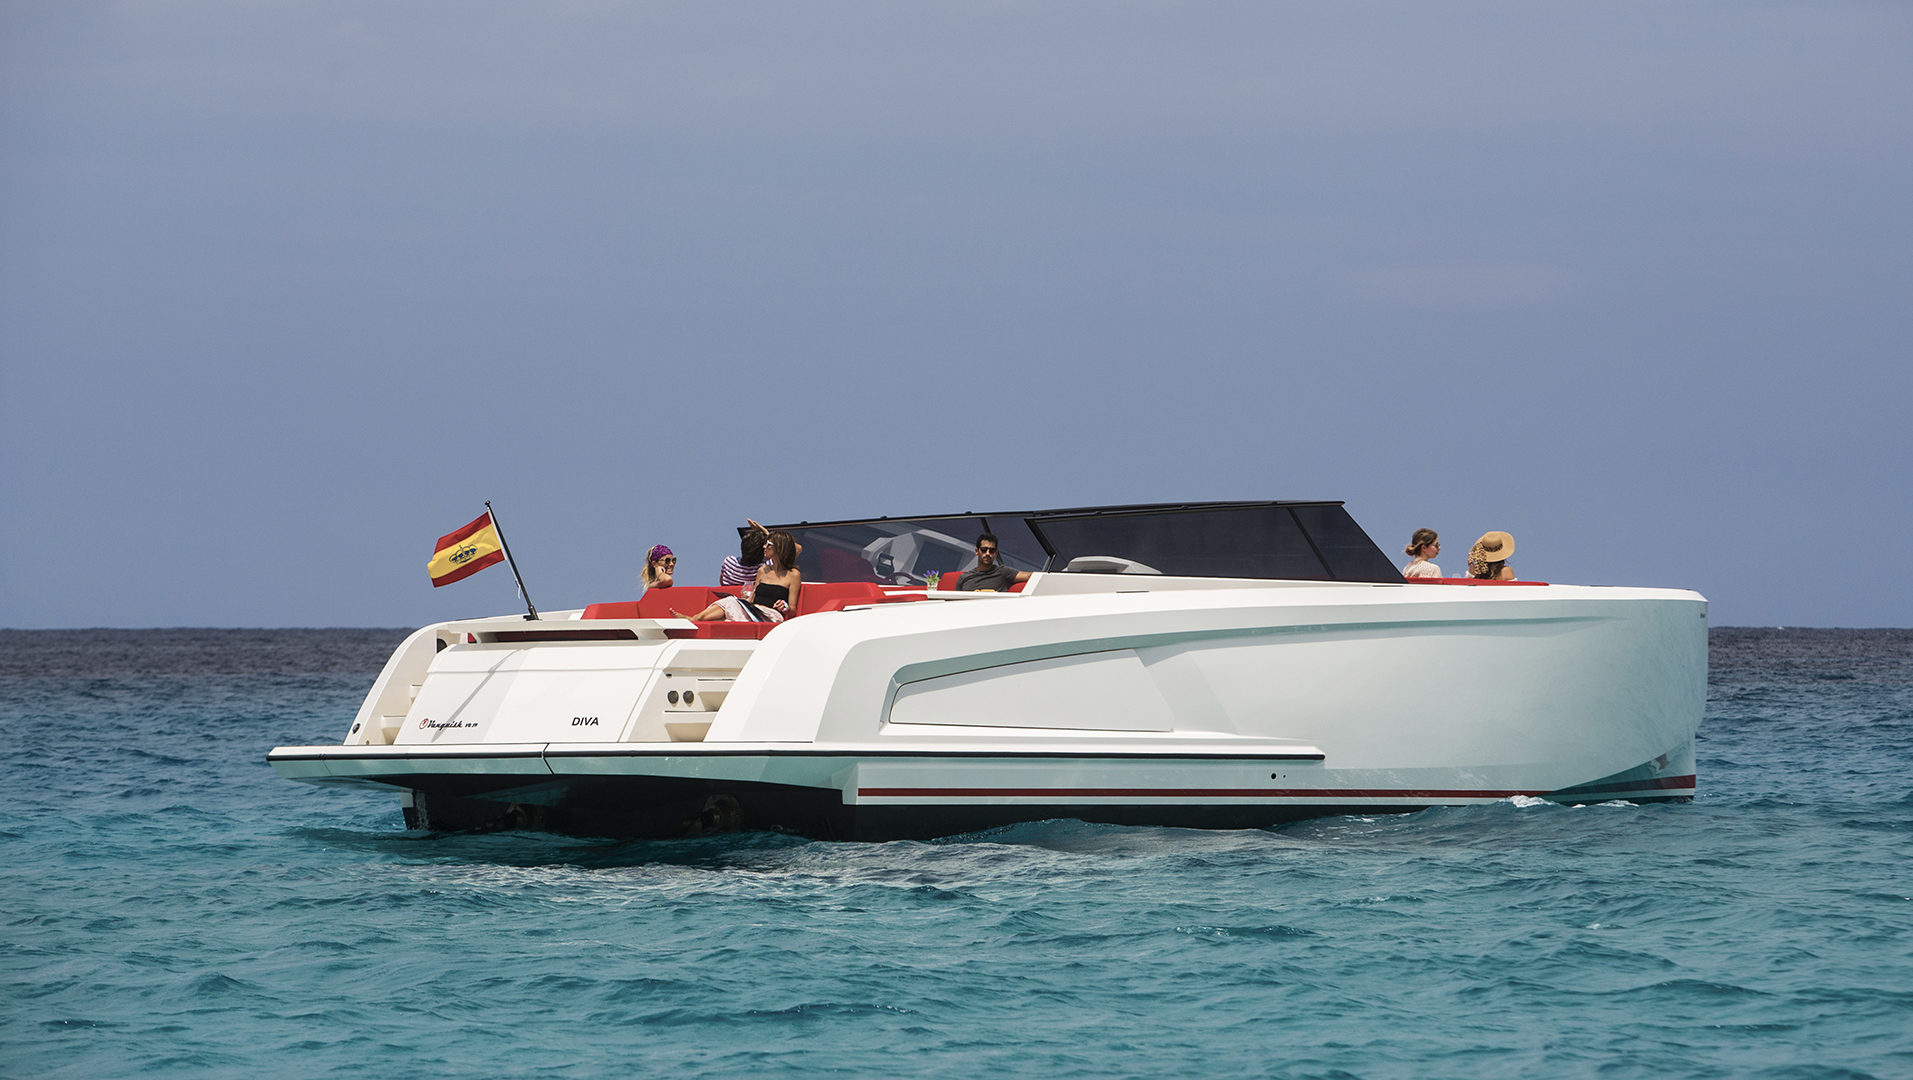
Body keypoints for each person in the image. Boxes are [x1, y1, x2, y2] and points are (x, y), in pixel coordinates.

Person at [678, 530, 802, 622]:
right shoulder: (762, 570)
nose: (764, 547)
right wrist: (747, 598)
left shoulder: (793, 575)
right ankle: (696, 619)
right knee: (731, 601)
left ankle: (693, 620)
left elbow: (792, 609)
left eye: (768, 544)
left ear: (779, 548)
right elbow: (754, 598)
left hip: (771, 615)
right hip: (753, 610)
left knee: (731, 604)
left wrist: (784, 606)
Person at [956, 532, 1031, 591]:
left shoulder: (1003, 572)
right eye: (984, 550)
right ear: (977, 551)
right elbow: (954, 603)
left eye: (992, 550)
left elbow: (1030, 576)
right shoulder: (964, 577)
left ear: (996, 553)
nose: (988, 553)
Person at [718, 520, 771, 587]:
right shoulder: (766, 567)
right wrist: (767, 534)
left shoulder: (729, 562)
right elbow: (781, 553)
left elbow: (722, 583)